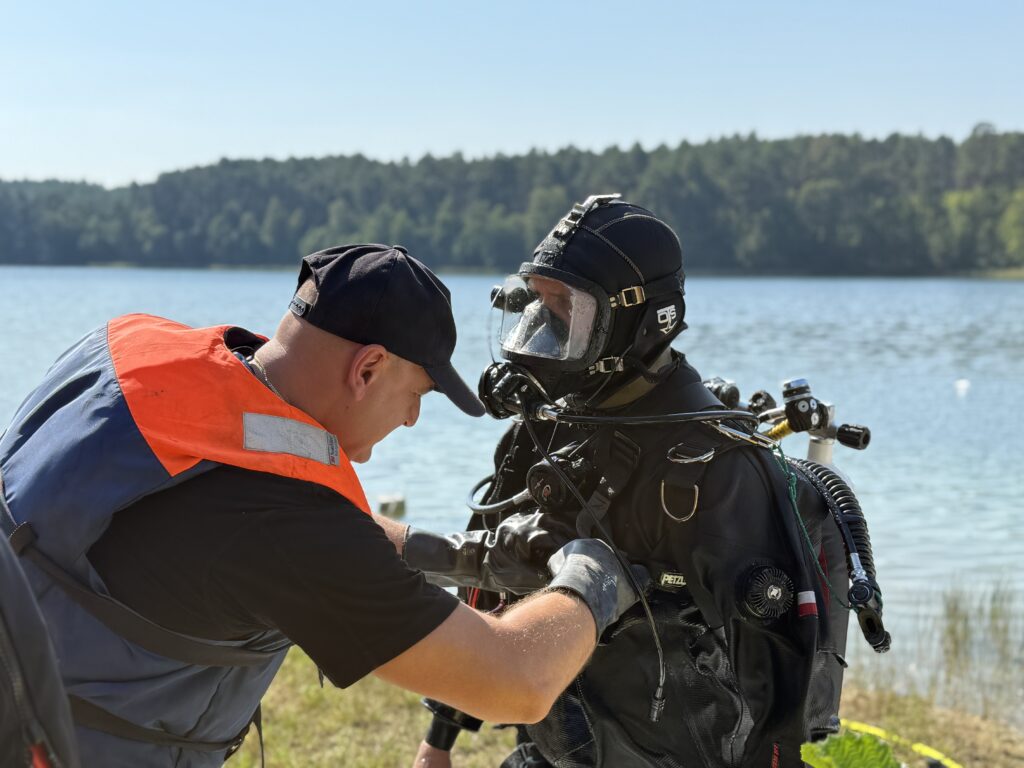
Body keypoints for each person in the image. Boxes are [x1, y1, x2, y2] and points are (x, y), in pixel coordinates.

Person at [0, 243, 642, 768]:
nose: (415, 419)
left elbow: (239, 507)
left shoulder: (127, 348)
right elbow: (517, 682)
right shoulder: (288, 530)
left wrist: (457, 557)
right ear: (367, 370)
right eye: (418, 392)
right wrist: (597, 574)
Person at [413, 197, 853, 768]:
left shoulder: (721, 477)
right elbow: (484, 590)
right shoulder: (548, 427)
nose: (545, 331)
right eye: (538, 305)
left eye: (566, 311)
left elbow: (775, 686)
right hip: (552, 749)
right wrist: (439, 739)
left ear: (644, 323)